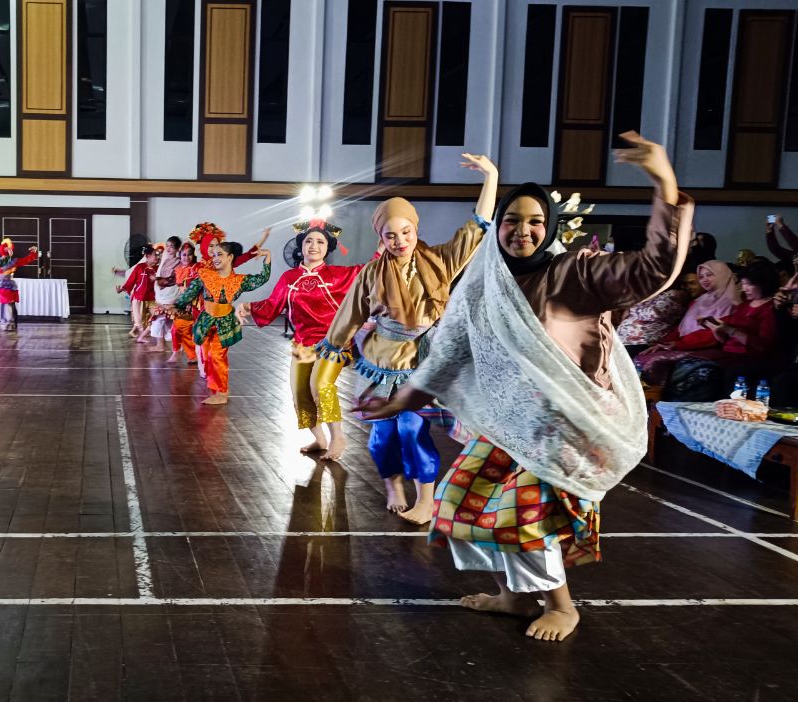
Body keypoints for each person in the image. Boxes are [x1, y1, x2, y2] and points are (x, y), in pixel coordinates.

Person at [363, 132, 692, 642]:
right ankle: (514, 596)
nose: (522, 230)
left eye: (535, 221)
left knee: (521, 513)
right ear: (498, 228)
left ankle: (561, 606)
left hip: (567, 424)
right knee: (460, 501)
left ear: (551, 227)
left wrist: (663, 181)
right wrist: (404, 398)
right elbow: (451, 349)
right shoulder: (485, 282)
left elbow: (654, 268)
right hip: (510, 420)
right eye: (511, 221)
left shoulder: (576, 274)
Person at [312, 153, 500, 523]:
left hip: (424, 359)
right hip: (382, 361)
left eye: (406, 232)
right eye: (390, 235)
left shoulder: (441, 261)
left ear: (416, 229)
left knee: (413, 429)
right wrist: (327, 362)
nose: (400, 240)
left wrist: (490, 177)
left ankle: (425, 499)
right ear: (381, 237)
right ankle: (392, 484)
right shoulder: (371, 275)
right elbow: (348, 317)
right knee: (381, 436)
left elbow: (478, 226)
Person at [238, 220, 361, 459]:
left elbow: (372, 270)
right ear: (300, 246)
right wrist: (246, 304)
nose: (314, 246)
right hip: (302, 343)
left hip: (332, 343)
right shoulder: (289, 277)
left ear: (328, 247)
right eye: (308, 241)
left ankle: (338, 437)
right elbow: (272, 305)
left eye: (320, 242)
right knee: (300, 394)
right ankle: (319, 439)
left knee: (321, 386)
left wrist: (386, 243)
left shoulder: (340, 275)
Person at [173, 233, 272, 405]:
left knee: (216, 356)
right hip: (205, 322)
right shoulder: (205, 275)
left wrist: (268, 257)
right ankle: (218, 388)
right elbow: (188, 294)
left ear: (230, 257)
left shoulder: (239, 281)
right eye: (214, 254)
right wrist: (174, 307)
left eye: (220, 254)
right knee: (207, 356)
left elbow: (262, 278)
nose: (215, 257)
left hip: (224, 323)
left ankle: (221, 393)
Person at [634, 260, 740, 384]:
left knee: (655, 362)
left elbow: (713, 336)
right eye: (701, 276)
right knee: (643, 357)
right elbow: (681, 329)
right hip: (687, 345)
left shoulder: (733, 304)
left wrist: (678, 345)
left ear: (722, 275)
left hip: (708, 348)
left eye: (709, 275)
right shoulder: (698, 301)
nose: (704, 279)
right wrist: (661, 343)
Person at [0, 238, 40, 332]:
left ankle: (6, 324)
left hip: (0, 287)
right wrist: (33, 253)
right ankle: (9, 324)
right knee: (8, 306)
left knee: (3, 306)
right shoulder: (10, 261)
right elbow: (26, 260)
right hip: (7, 287)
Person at [168, 241, 201, 365]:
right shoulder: (178, 270)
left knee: (178, 329)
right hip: (183, 305)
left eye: (189, 254)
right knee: (180, 330)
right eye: (184, 255)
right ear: (180, 255)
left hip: (195, 305)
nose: (186, 257)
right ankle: (192, 355)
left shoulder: (197, 268)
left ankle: (178, 353)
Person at [149, 237, 183, 354]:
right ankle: (170, 345)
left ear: (177, 248)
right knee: (165, 320)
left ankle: (163, 345)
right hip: (162, 294)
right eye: (167, 245)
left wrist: (157, 279)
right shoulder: (164, 257)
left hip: (170, 294)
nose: (168, 248)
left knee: (160, 319)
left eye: (171, 246)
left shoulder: (178, 262)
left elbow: (173, 279)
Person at [118, 246, 158, 341]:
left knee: (157, 316)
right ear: (147, 256)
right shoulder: (140, 267)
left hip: (152, 299)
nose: (157, 257)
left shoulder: (157, 268)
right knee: (140, 320)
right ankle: (141, 336)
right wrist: (121, 289)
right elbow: (131, 281)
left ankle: (140, 334)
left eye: (158, 255)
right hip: (139, 299)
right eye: (155, 255)